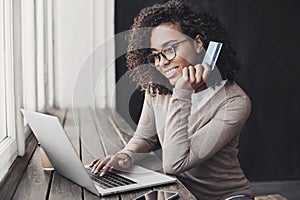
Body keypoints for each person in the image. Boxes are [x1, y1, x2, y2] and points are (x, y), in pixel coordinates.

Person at [90, 0, 254, 199]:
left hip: (224, 197)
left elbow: (174, 163)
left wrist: (182, 92)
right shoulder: (157, 91)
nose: (162, 62)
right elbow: (145, 137)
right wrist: (127, 154)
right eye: (156, 55)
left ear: (198, 43)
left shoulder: (234, 102)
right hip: (178, 193)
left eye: (170, 49)